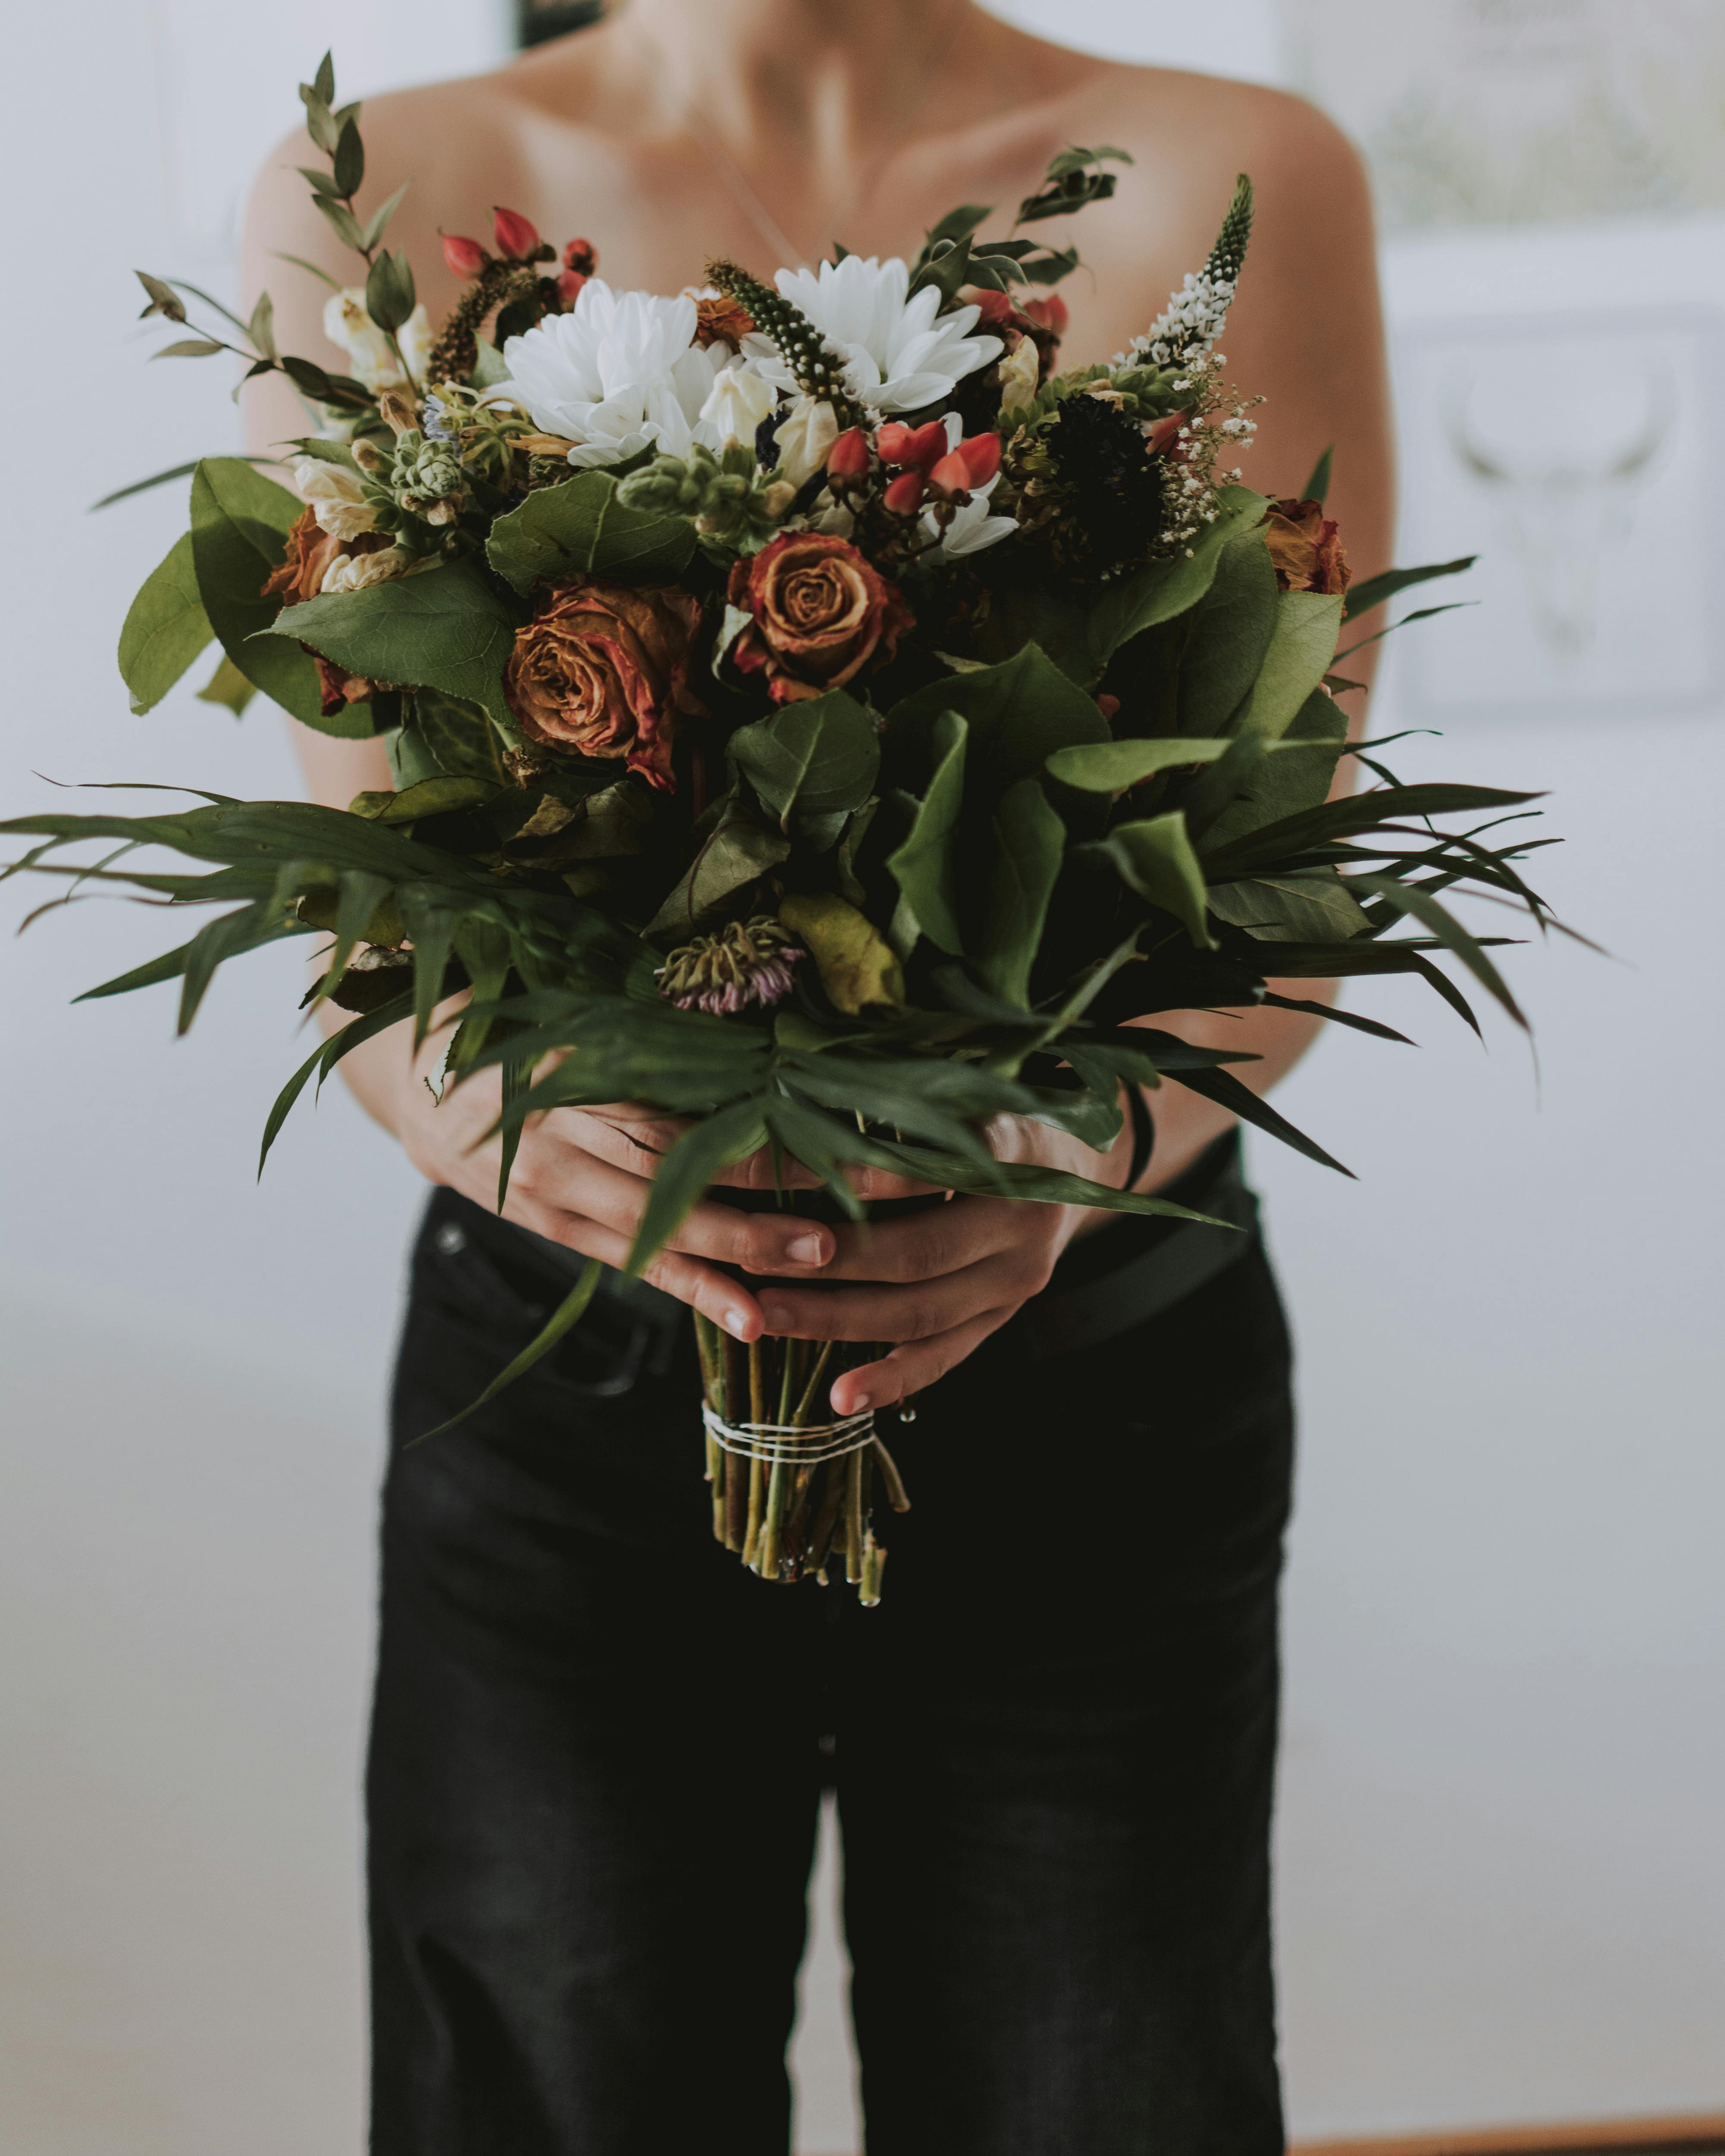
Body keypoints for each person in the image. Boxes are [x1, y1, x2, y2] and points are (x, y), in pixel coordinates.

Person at [243, 5, 1392, 2148]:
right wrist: (497, 1120)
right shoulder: (372, 186)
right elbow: (377, 911)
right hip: (580, 1359)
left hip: (1094, 1374)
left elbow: (1279, 878)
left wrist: (1060, 1160)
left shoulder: (1237, 173)